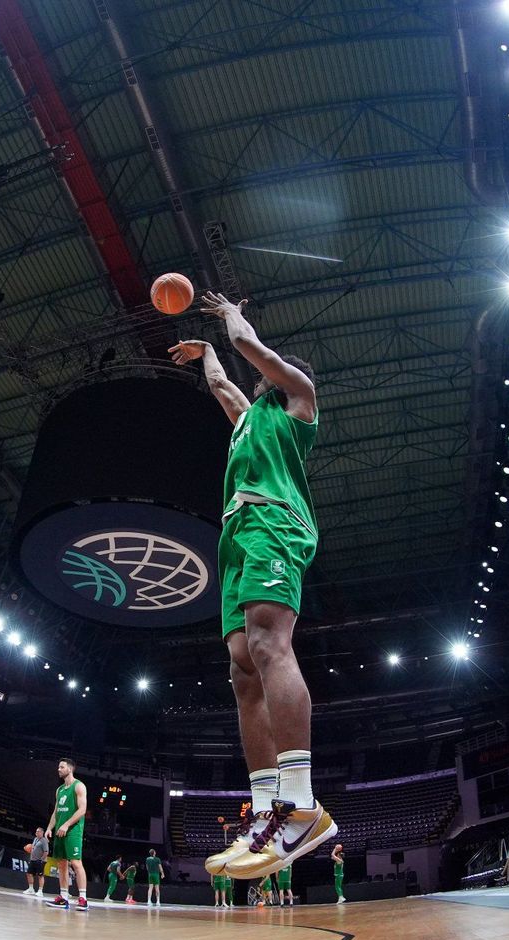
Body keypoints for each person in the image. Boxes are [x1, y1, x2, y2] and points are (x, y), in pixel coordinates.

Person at [171, 293, 336, 882]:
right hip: (236, 534)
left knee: (269, 645)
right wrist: (207, 354)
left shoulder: (299, 403)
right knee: (242, 667)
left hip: (275, 522)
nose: (263, 378)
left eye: (273, 371)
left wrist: (227, 321)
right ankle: (265, 812)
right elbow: (223, 387)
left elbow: (250, 348)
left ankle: (302, 805)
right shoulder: (248, 419)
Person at [44, 758, 89, 911]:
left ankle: (83, 899)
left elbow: (82, 810)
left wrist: (67, 824)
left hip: (73, 831)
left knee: (76, 863)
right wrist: (49, 828)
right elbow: (56, 813)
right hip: (59, 831)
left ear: (69, 769)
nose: (58, 769)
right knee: (61, 865)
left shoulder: (79, 786)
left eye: (61, 767)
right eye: (58, 767)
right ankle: (63, 898)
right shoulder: (59, 790)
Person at [26, 827, 49, 896]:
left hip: (40, 861)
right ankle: (31, 889)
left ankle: (40, 891)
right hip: (33, 860)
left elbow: (46, 852)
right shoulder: (35, 839)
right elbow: (33, 849)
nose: (36, 833)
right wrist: (31, 859)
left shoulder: (44, 841)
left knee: (40, 875)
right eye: (36, 831)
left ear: (42, 832)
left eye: (38, 831)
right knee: (29, 874)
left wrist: (41, 860)